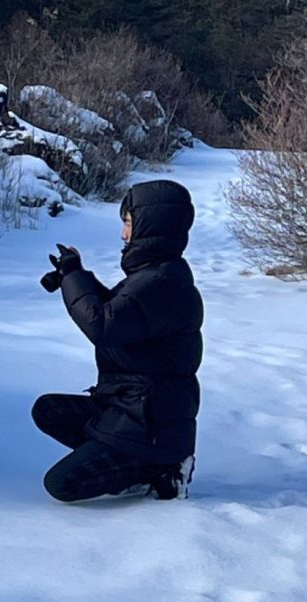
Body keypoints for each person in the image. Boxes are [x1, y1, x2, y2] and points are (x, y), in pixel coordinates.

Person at [32, 179, 203, 502]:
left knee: (61, 484)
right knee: (48, 410)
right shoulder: (154, 276)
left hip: (151, 425)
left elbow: (103, 325)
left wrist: (73, 276)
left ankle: (160, 470)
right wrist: (76, 274)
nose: (124, 234)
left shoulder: (163, 284)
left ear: (151, 227)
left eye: (129, 223)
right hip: (127, 407)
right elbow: (117, 313)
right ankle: (124, 459)